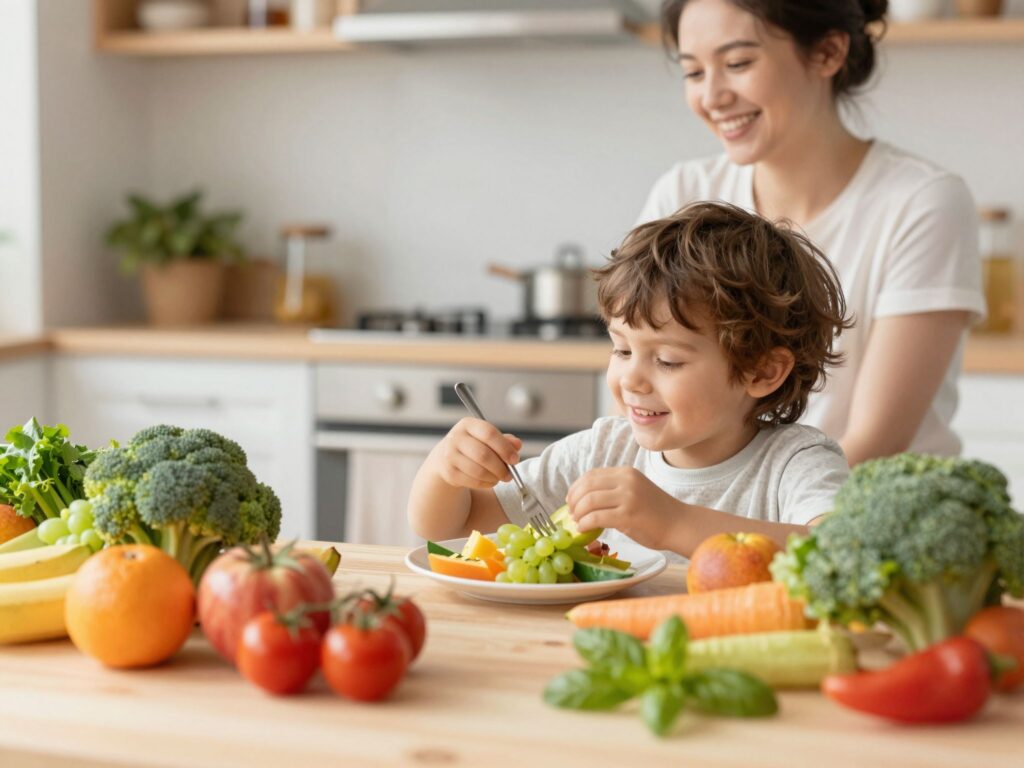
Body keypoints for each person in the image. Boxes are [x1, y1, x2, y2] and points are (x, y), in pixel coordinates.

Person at [640, 0, 984, 466]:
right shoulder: (683, 193)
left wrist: (713, 522)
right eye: (694, 73)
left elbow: (875, 442)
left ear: (827, 53)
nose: (713, 96)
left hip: (850, 519)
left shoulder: (922, 202)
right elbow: (645, 392)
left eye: (738, 63)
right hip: (716, 520)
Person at [408, 202, 852, 560]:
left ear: (762, 371)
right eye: (621, 350)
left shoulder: (795, 463)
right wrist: (445, 472)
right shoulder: (603, 451)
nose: (631, 379)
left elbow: (842, 554)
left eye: (667, 360)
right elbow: (453, 529)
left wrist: (674, 523)